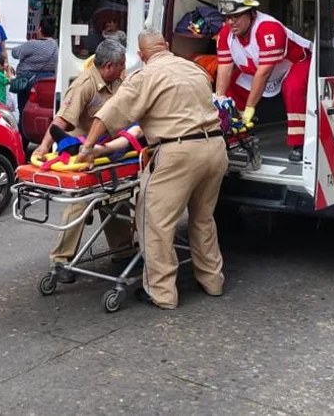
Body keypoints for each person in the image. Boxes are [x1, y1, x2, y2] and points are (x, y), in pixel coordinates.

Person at [78, 31, 228, 310]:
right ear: (167, 47)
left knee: (154, 222)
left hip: (179, 153)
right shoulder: (193, 69)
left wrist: (88, 147)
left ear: (142, 55)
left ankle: (161, 293)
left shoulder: (146, 76)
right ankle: (212, 281)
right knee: (203, 219)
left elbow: (111, 112)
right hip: (215, 148)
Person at [33, 40, 134, 279]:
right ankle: (61, 261)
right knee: (79, 204)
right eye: (121, 65)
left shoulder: (119, 80)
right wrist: (44, 145)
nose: (124, 68)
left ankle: (123, 252)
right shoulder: (84, 85)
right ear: (108, 66)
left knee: (115, 198)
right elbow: (61, 121)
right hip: (82, 154)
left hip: (107, 151)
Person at [214, 0, 312, 162]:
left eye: (236, 16)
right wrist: (220, 99)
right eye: (228, 18)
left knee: (293, 88)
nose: (231, 22)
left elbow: (264, 73)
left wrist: (250, 108)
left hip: (296, 62)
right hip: (260, 70)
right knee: (232, 87)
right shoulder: (225, 34)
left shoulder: (268, 28)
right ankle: (237, 135)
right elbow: (224, 68)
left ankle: (300, 143)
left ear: (251, 13)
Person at [10, 16, 59, 121]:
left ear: (40, 29)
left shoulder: (33, 44)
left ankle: (24, 135)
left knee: (24, 110)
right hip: (47, 82)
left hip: (27, 81)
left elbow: (15, 53)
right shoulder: (55, 45)